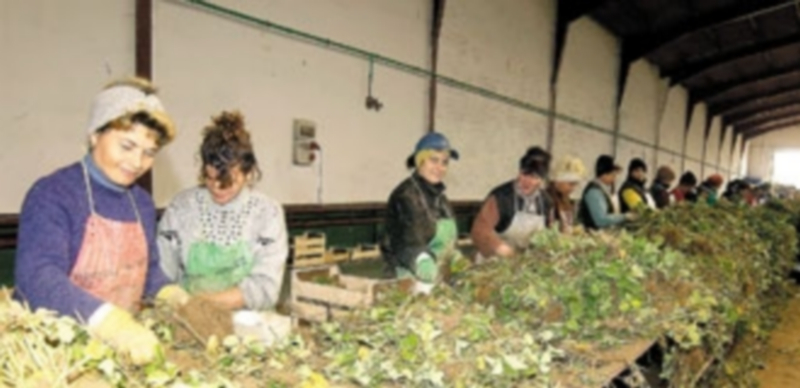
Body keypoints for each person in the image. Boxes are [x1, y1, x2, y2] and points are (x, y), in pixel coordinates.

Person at [14, 78, 189, 365]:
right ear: (95, 134)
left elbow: (148, 272)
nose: (137, 162)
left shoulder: (141, 203)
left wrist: (171, 295)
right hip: (55, 354)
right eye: (127, 146)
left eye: (149, 153)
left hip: (120, 354)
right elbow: (37, 277)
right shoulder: (53, 194)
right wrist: (112, 324)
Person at [158, 111, 288, 311]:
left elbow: (265, 288)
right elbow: (162, 275)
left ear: (248, 173)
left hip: (248, 326)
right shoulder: (181, 209)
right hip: (188, 321)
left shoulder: (267, 214)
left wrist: (203, 304)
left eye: (229, 181)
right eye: (209, 177)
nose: (217, 187)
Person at [382, 132, 459, 287]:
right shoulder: (405, 196)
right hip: (408, 277)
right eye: (433, 160)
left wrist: (454, 256)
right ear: (420, 161)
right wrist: (421, 259)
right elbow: (404, 241)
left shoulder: (441, 199)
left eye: (444, 162)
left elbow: (446, 241)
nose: (440, 167)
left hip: (438, 276)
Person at [471, 147, 553, 262]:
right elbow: (480, 231)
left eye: (534, 177)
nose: (527, 181)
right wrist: (500, 248)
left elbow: (549, 234)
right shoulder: (502, 197)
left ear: (541, 180)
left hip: (524, 265)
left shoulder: (545, 202)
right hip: (493, 263)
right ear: (519, 172)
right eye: (524, 174)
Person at [578, 155, 631, 230]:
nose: (614, 179)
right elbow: (601, 220)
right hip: (594, 234)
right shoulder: (594, 192)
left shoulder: (601, 189)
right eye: (613, 175)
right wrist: (624, 217)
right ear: (604, 174)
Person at [546, 156, 586, 233]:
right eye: (571, 184)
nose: (573, 188)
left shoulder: (565, 199)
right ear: (559, 181)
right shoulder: (547, 199)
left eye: (575, 185)